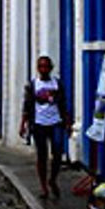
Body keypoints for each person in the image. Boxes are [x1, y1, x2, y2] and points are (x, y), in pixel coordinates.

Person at [20, 55, 71, 199]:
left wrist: (67, 122)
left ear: (51, 68)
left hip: (56, 122)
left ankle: (53, 179)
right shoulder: (33, 85)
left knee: (57, 153)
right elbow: (27, 105)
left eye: (46, 67)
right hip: (39, 123)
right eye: (41, 67)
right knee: (41, 156)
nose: (44, 69)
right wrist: (23, 124)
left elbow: (63, 104)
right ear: (38, 68)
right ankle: (44, 187)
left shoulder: (57, 84)